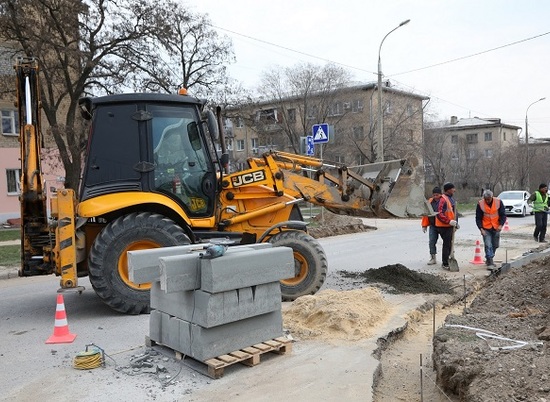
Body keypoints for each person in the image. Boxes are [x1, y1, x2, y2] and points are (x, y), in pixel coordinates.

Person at [475, 189, 507, 267]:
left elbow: (503, 215)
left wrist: (501, 225)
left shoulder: (498, 202)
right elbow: (478, 218)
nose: (487, 201)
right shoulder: (480, 204)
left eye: (489, 199)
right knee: (488, 244)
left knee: (495, 245)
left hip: (496, 227)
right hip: (486, 228)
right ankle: (490, 261)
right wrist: (481, 229)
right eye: (486, 199)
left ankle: (490, 257)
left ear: (492, 197)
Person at [434, 182, 458, 270]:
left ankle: (447, 259)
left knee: (449, 243)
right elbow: (439, 213)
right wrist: (449, 221)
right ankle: (445, 262)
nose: (454, 190)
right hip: (443, 226)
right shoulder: (443, 199)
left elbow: (453, 213)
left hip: (450, 225)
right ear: (448, 190)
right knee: (447, 244)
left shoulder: (451, 199)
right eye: (453, 188)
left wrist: (456, 223)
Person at [421, 186, 443, 265]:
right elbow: (426, 214)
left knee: (447, 242)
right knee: (432, 241)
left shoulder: (443, 201)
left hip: (442, 225)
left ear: (440, 194)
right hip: (433, 225)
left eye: (437, 195)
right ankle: (433, 257)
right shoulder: (429, 202)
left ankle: (447, 257)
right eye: (434, 195)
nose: (435, 197)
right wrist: (424, 225)